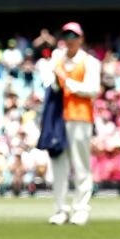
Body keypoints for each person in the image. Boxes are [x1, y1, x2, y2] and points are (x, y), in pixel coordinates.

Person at [47, 22, 101, 226]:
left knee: (81, 165)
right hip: (58, 118)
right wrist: (55, 75)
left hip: (80, 117)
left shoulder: (90, 62)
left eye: (74, 36)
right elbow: (51, 87)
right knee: (59, 165)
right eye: (66, 36)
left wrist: (66, 80)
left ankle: (81, 208)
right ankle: (61, 209)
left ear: (81, 39)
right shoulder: (57, 60)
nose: (70, 40)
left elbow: (92, 89)